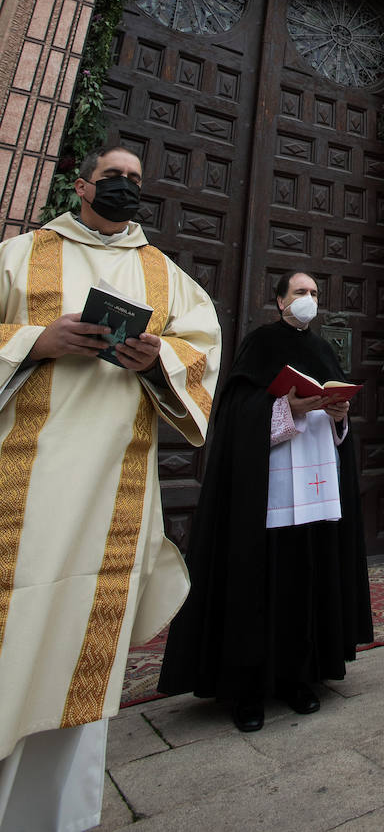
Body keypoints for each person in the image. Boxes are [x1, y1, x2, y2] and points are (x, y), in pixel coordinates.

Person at [0, 145, 221, 832]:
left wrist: (159, 360)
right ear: (81, 184)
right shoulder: (19, 254)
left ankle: (59, 818)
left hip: (109, 494)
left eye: (134, 180)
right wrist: (34, 342)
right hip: (19, 486)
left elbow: (202, 351)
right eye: (113, 179)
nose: (124, 189)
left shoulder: (164, 274)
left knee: (78, 659)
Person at [160, 269, 373, 732]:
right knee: (259, 582)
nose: (308, 299)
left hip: (315, 487)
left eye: (315, 293)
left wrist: (338, 413)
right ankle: (247, 691)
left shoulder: (321, 350)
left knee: (305, 578)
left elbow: (338, 424)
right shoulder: (259, 346)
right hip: (270, 488)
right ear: (279, 301)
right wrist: (287, 409)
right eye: (300, 292)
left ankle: (300, 678)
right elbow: (236, 414)